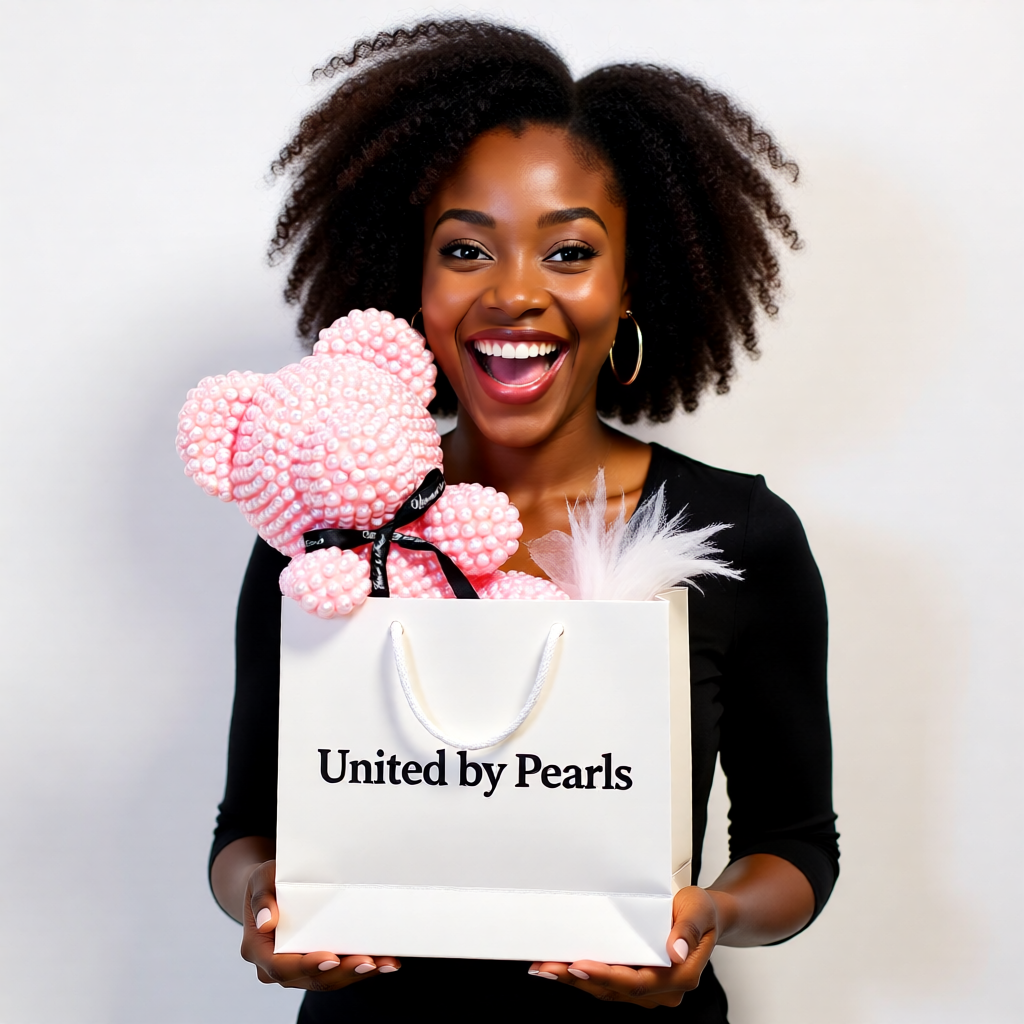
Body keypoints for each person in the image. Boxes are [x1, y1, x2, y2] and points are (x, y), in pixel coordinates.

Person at [208, 20, 838, 1021]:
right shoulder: (324, 527)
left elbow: (794, 847)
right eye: (465, 249)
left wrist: (710, 914)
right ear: (413, 280)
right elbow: (245, 828)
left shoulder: (737, 534)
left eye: (569, 251)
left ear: (629, 282)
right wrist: (263, 899)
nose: (512, 293)